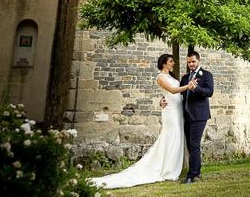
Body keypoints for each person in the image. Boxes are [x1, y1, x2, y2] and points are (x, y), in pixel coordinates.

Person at [89, 54, 195, 189]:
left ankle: (174, 166)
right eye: (170, 61)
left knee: (178, 137)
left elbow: (168, 94)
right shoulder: (160, 77)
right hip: (171, 112)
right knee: (171, 137)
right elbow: (173, 91)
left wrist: (162, 99)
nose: (173, 63)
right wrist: (188, 86)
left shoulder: (172, 77)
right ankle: (167, 170)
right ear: (163, 63)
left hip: (178, 110)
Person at [180, 50, 214, 184]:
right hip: (186, 115)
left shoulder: (206, 75)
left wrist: (196, 88)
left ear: (199, 61)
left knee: (194, 145)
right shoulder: (184, 78)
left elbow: (209, 92)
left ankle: (191, 175)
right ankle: (197, 171)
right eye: (189, 62)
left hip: (199, 116)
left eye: (193, 62)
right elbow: (178, 94)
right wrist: (163, 100)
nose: (191, 64)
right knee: (190, 145)